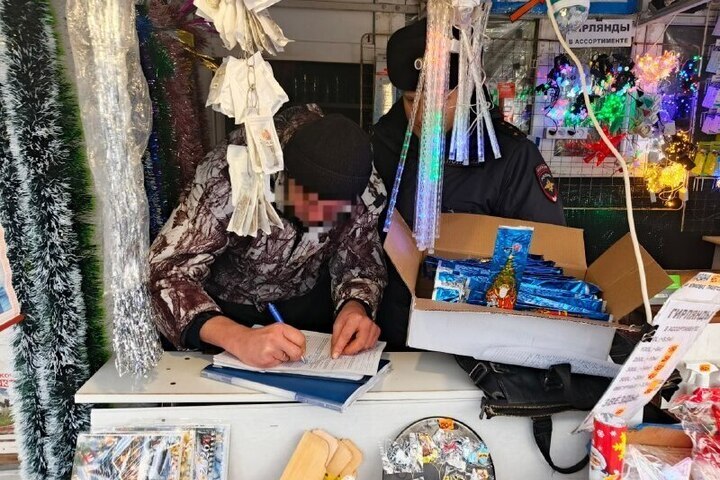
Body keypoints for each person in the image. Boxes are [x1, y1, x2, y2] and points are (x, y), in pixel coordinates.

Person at [373, 19, 566, 349]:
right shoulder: (383, 144)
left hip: (474, 337)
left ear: (467, 89)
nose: (423, 114)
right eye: (411, 100)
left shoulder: (509, 156)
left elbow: (547, 255)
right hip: (391, 330)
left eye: (438, 99)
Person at [149, 106, 387, 368]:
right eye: (310, 204)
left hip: (308, 312)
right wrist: (237, 337)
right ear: (285, 176)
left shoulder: (363, 185)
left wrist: (355, 306)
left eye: (336, 212)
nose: (321, 219)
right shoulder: (231, 176)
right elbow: (165, 272)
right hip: (223, 315)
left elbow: (361, 263)